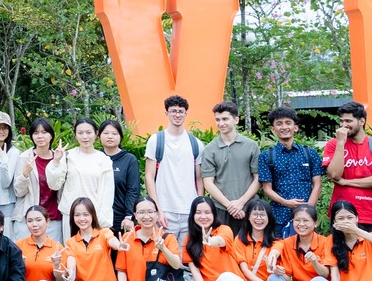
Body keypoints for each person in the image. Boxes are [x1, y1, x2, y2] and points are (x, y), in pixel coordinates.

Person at [114, 197, 189, 281]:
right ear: (135, 215)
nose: (146, 216)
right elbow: (121, 269)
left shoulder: (168, 238)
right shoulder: (127, 238)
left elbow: (177, 264)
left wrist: (163, 248)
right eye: (141, 212)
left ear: (157, 214)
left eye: (150, 212)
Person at [323, 101, 372, 230]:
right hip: (341, 213)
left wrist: (346, 182)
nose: (343, 125)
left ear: (361, 121)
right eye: (341, 121)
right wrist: (340, 143)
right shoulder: (333, 144)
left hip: (370, 213)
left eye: (348, 121)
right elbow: (335, 174)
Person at [256, 106, 323, 237]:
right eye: (279, 124)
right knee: (280, 248)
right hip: (279, 216)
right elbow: (267, 189)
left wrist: (306, 209)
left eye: (288, 123)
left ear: (295, 127)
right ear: (273, 129)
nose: (284, 127)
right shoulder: (266, 156)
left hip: (307, 217)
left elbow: (317, 184)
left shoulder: (310, 153)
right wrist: (285, 202)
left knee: (308, 249)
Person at [184, 197, 251, 281]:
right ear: (192, 215)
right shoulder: (189, 239)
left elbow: (221, 241)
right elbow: (195, 271)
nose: (203, 216)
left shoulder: (224, 229)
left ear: (214, 214)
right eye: (198, 212)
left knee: (226, 278)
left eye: (207, 212)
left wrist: (209, 241)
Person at [143, 96, 204, 236]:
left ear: (186, 114)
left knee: (189, 250)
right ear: (166, 113)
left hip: (189, 211)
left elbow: (199, 178)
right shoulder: (156, 140)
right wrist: (157, 210)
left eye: (181, 111)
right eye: (173, 111)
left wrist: (199, 210)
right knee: (164, 250)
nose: (177, 115)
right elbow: (149, 176)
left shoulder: (196, 144)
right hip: (164, 211)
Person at [197, 102, 259, 235]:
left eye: (225, 119)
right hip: (221, 209)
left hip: (248, 207)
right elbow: (208, 182)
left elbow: (258, 178)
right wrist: (230, 206)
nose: (221, 123)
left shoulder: (251, 146)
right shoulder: (210, 149)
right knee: (222, 245)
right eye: (217, 120)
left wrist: (241, 203)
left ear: (236, 120)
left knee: (248, 245)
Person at [271, 205, 334, 281]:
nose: (301, 224)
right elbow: (287, 277)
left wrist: (315, 262)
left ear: (315, 223)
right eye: (297, 220)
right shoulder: (288, 243)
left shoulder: (325, 242)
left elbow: (326, 274)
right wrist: (277, 270)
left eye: (306, 220)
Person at [61, 197, 119, 281]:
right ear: (72, 217)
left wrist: (119, 245)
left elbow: (111, 241)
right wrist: (70, 271)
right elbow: (71, 259)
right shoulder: (70, 242)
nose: (81, 219)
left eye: (85, 214)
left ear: (92, 215)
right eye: (77, 215)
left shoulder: (103, 233)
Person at [57, 120, 116, 237]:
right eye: (80, 133)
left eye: (89, 132)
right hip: (71, 214)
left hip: (94, 215)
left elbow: (107, 192)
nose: (85, 137)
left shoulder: (104, 160)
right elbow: (55, 184)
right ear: (75, 135)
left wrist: (103, 221)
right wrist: (56, 162)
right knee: (71, 246)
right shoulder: (68, 156)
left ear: (96, 134)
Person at [15, 119, 66, 243]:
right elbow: (18, 192)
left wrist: (57, 161)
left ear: (51, 135)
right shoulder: (25, 158)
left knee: (53, 253)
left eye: (44, 132)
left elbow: (60, 187)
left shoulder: (60, 158)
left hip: (53, 219)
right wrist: (25, 174)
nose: (40, 136)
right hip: (29, 219)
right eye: (36, 133)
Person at [234, 199, 285, 281]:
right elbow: (244, 269)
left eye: (263, 214)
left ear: (269, 218)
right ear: (248, 217)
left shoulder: (277, 241)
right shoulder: (239, 240)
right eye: (255, 214)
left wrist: (272, 262)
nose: (259, 218)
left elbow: (275, 252)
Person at [15, 203, 66, 281]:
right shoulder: (18, 246)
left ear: (47, 221)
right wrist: (19, 265)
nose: (34, 225)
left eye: (38, 220)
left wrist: (56, 265)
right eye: (30, 221)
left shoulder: (57, 248)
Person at [98, 120, 141, 238]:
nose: (110, 136)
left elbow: (133, 190)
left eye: (114, 133)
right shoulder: (95, 157)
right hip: (97, 217)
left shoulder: (129, 159)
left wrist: (129, 216)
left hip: (120, 219)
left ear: (121, 137)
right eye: (106, 133)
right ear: (99, 135)